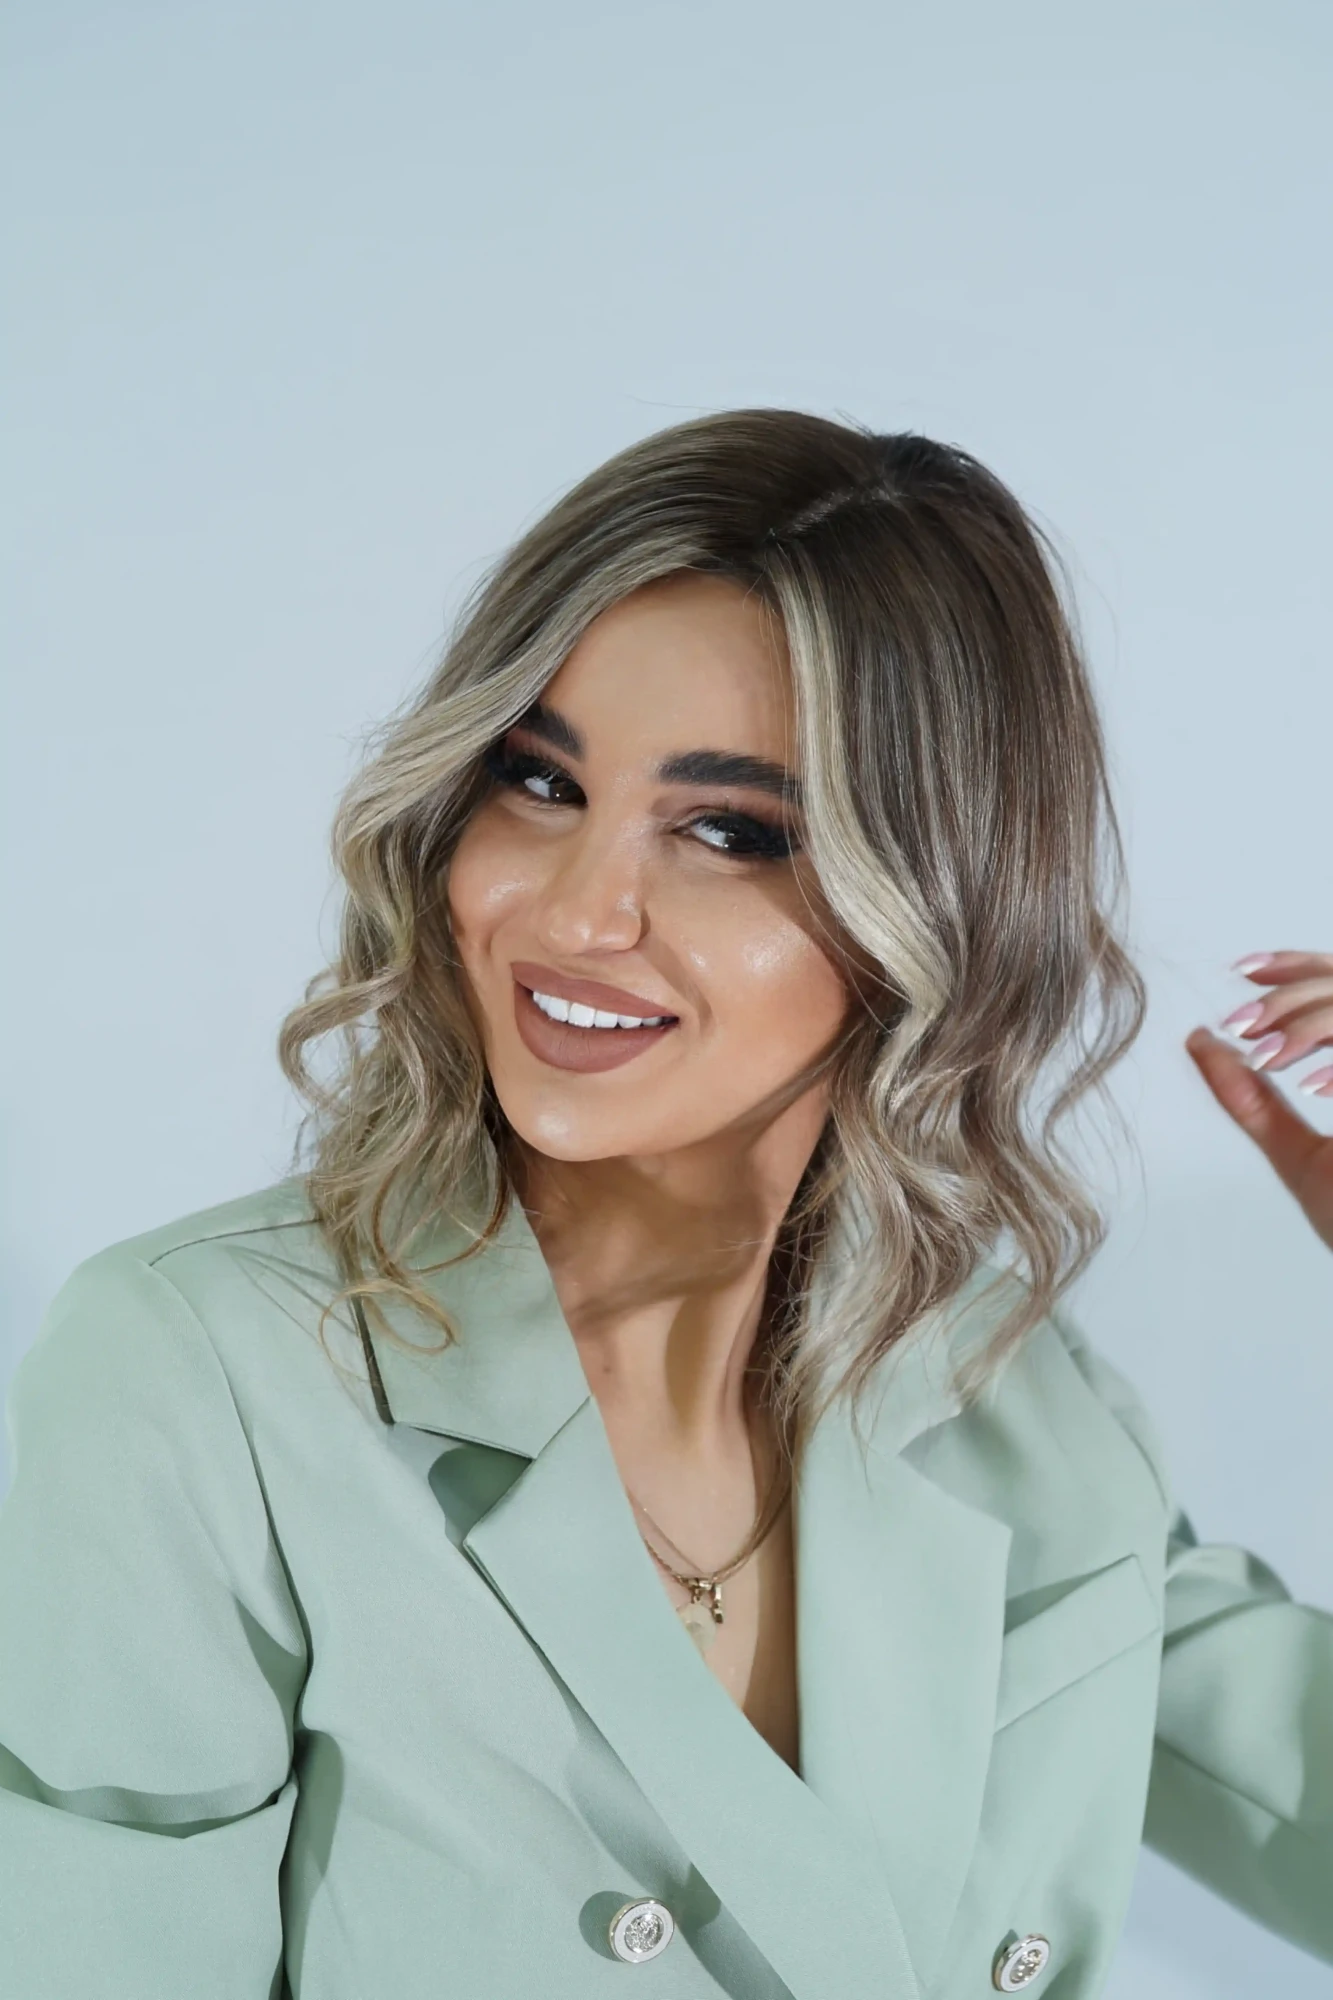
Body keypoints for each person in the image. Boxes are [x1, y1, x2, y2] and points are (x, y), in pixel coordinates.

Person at [1, 410, 1329, 2000]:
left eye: (728, 831)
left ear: (941, 907)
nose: (577, 912)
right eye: (539, 781)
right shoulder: (203, 1380)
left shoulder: (1017, 1406)